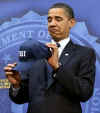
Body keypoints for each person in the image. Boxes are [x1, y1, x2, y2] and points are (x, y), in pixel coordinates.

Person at [4, 3, 96, 113]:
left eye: (58, 19)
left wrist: (57, 68)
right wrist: (16, 85)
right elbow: (21, 98)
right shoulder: (36, 52)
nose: (52, 24)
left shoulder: (85, 53)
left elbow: (84, 93)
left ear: (71, 23)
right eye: (49, 20)